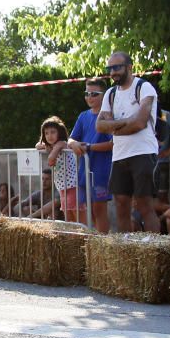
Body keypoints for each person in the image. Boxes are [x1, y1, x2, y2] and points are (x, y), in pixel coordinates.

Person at [96, 52, 161, 233]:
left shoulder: (144, 87)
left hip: (143, 152)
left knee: (144, 204)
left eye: (117, 67)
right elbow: (100, 126)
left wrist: (114, 127)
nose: (113, 72)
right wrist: (125, 123)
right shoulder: (110, 93)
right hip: (119, 155)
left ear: (129, 67)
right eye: (110, 68)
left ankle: (153, 249)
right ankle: (126, 250)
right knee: (121, 205)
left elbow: (140, 123)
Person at [66, 78, 113, 233]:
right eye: (87, 93)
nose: (89, 97)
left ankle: (104, 242)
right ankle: (98, 239)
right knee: (89, 209)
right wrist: (73, 143)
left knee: (99, 209)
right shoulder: (83, 116)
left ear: (104, 95)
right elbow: (72, 137)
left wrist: (90, 147)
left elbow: (114, 143)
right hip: (84, 170)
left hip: (101, 170)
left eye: (94, 94)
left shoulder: (109, 116)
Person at [37, 116, 79, 221]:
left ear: (59, 132)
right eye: (46, 133)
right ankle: (73, 235)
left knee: (76, 214)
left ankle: (86, 234)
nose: (49, 136)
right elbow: (38, 145)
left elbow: (51, 159)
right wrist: (47, 146)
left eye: (52, 132)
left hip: (72, 185)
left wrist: (52, 151)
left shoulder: (62, 144)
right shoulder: (52, 145)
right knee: (67, 215)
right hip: (62, 186)